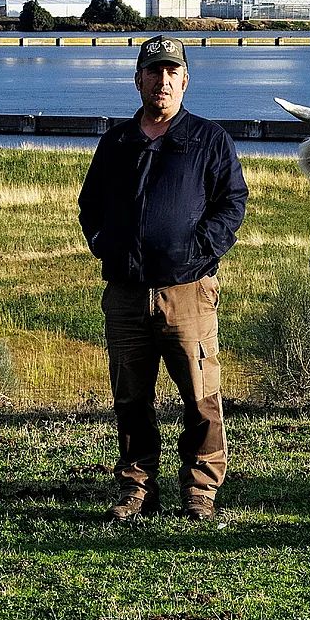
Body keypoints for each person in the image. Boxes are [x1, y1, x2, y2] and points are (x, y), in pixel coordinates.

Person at [78, 35, 248, 522]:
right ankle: (136, 489)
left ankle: (199, 491)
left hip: (188, 293)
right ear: (138, 80)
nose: (164, 80)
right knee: (131, 398)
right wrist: (104, 243)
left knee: (201, 397)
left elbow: (231, 204)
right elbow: (90, 205)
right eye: (154, 72)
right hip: (126, 295)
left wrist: (199, 252)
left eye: (173, 72)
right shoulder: (117, 142)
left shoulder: (209, 140)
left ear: (186, 80)